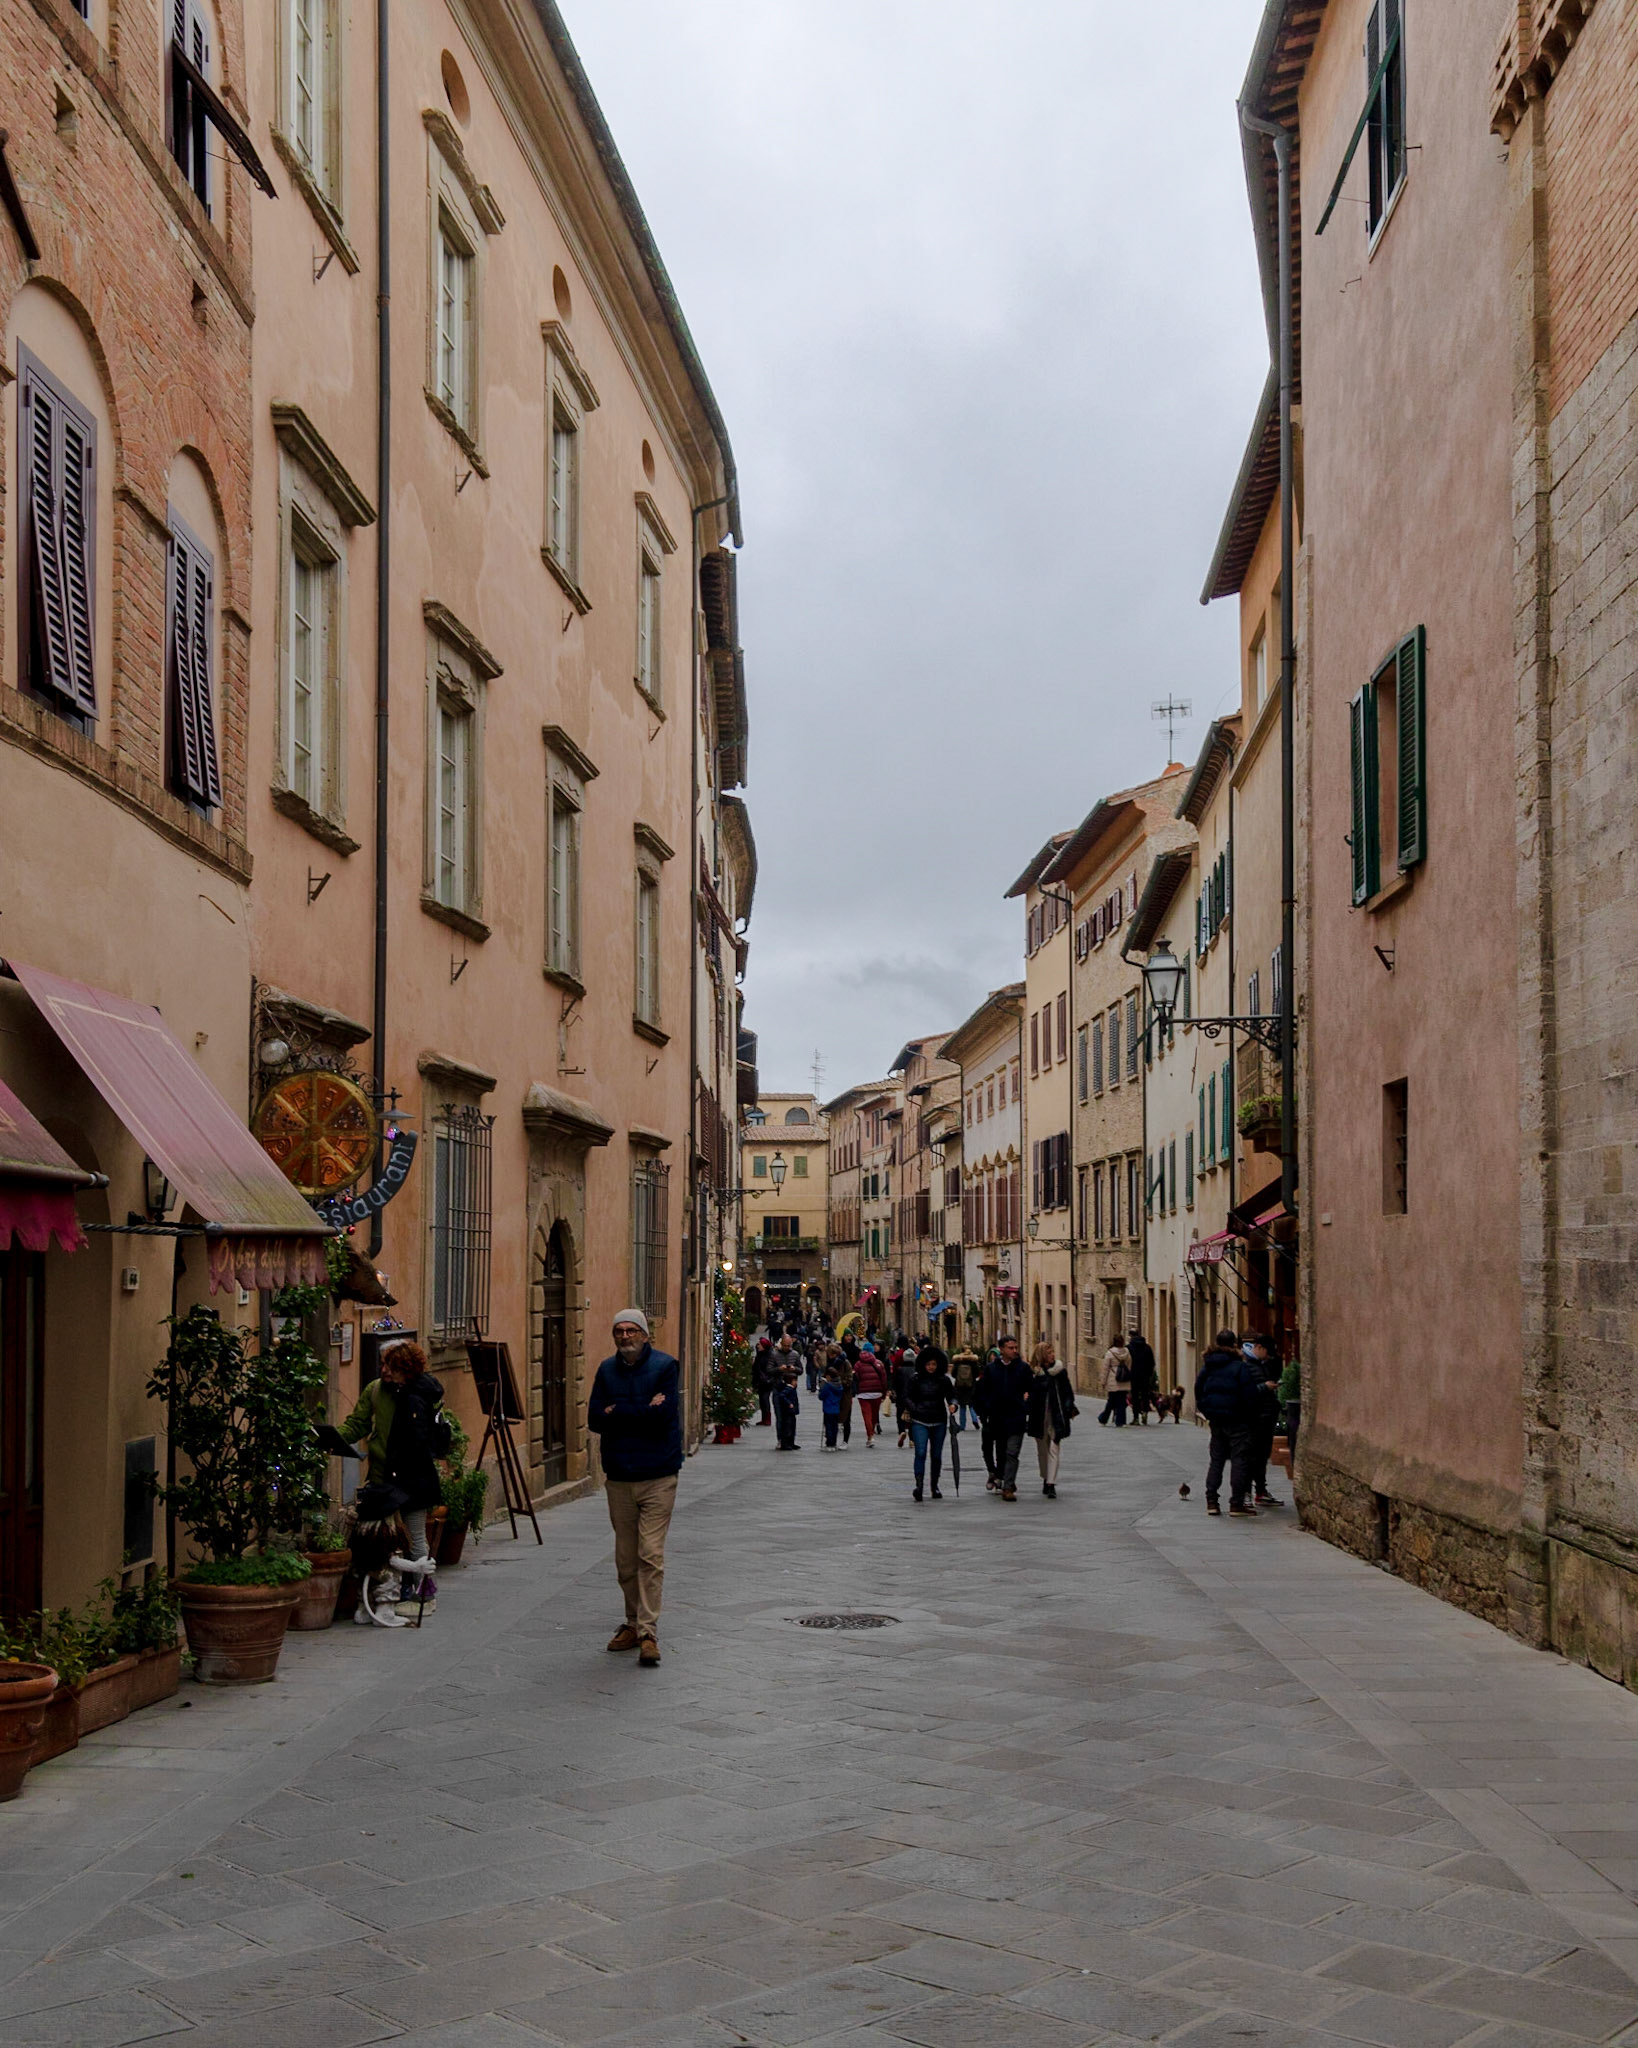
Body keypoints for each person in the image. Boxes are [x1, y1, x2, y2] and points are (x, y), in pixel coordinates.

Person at [587, 1309, 682, 1666]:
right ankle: (630, 1622)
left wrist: (619, 1412)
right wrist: (641, 1408)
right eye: (618, 1331)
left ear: (644, 1334)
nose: (624, 1337)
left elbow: (663, 1417)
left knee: (650, 1555)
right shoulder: (605, 1370)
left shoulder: (665, 1367)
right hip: (620, 1477)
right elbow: (595, 1418)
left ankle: (647, 1632)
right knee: (626, 1560)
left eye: (631, 1331)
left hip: (658, 1476)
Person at [339, 1339, 445, 1617]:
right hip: (382, 1477)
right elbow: (357, 1424)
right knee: (380, 1539)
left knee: (416, 1535)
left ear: (405, 1368)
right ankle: (380, 1596)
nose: (383, 1369)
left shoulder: (417, 1395)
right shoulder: (375, 1390)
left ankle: (424, 1596)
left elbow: (423, 1441)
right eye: (382, 1363)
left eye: (390, 1364)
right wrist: (333, 1439)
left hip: (412, 1479)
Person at [1194, 1327, 1266, 1518]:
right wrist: (1249, 1416)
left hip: (1217, 1420)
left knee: (1216, 1460)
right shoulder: (1240, 1367)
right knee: (1239, 1460)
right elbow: (1250, 1395)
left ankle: (1212, 1501)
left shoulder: (1208, 1366)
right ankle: (1236, 1503)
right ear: (1235, 1345)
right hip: (1238, 1420)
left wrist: (1208, 1411)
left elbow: (1198, 1390)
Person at [981, 1333, 1032, 1500]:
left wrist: (1026, 1405)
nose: (1014, 1351)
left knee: (1012, 1452)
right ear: (1001, 1349)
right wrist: (986, 1411)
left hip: (1016, 1417)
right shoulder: (991, 1369)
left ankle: (1008, 1487)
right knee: (1002, 1453)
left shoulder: (1023, 1368)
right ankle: (1004, 1478)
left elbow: (1031, 1389)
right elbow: (984, 1392)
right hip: (998, 1418)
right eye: (1011, 1348)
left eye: (1015, 1348)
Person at [902, 1346, 957, 1501]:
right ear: (923, 1365)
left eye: (933, 1364)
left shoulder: (944, 1380)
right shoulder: (915, 1379)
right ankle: (919, 1485)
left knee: (936, 1455)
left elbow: (952, 1396)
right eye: (928, 1364)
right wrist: (915, 1409)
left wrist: (953, 1404)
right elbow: (906, 1396)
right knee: (920, 1452)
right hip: (920, 1420)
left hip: (939, 1420)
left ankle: (934, 1485)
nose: (931, 1367)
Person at [1026, 1340, 1076, 1499]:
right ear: (1041, 1355)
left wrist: (1068, 1407)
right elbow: (1029, 1394)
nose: (1052, 1355)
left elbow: (1068, 1392)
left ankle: (1051, 1483)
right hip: (1039, 1417)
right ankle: (1045, 1477)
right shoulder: (1033, 1374)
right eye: (1049, 1353)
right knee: (1042, 1451)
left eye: (1052, 1352)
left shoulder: (1059, 1371)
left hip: (1056, 1415)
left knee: (1054, 1448)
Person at [1243, 1335, 1283, 1506]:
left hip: (1265, 1417)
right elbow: (1246, 1392)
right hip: (1255, 1418)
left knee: (1261, 1456)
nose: (1268, 1356)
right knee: (1252, 1457)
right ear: (1258, 1347)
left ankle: (1260, 1491)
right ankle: (1246, 1492)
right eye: (1267, 1352)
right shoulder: (1247, 1365)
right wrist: (1264, 1387)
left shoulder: (1260, 1364)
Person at [853, 1343, 889, 1444]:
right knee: (874, 1414)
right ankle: (871, 1432)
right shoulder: (879, 1363)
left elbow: (856, 1377)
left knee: (867, 1415)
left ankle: (870, 1435)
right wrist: (884, 1392)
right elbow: (884, 1379)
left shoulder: (858, 1364)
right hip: (877, 1392)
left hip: (863, 1393)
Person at [1127, 1327, 1159, 1425]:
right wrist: (1149, 1374)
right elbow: (1152, 1362)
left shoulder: (1128, 1348)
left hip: (1133, 1376)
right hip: (1145, 1376)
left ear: (1131, 1336)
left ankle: (1136, 1417)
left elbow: (1126, 1362)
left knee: (1135, 1396)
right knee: (1145, 1395)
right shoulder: (1147, 1347)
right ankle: (1145, 1413)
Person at [773, 1343, 802, 1450]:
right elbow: (769, 1370)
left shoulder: (795, 1354)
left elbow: (800, 1370)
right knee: (781, 1419)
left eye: (789, 1345)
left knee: (791, 1423)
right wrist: (779, 1369)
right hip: (778, 1387)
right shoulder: (774, 1355)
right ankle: (782, 1441)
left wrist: (794, 1368)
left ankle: (791, 1441)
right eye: (785, 1345)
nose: (787, 1347)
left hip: (790, 1399)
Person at [1098, 1336, 1133, 1427]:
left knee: (1111, 1401)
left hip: (1113, 1379)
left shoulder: (1110, 1353)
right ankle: (1121, 1421)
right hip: (1124, 1381)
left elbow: (1105, 1368)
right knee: (1122, 1401)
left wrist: (1103, 1382)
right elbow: (1129, 1365)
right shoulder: (1127, 1352)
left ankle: (1103, 1418)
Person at [950, 1348, 981, 1431]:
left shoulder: (958, 1361)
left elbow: (953, 1374)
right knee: (971, 1405)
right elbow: (977, 1373)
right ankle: (975, 1420)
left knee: (962, 1407)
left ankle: (962, 1425)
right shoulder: (973, 1362)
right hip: (971, 1387)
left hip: (960, 1387)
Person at [751, 1337, 775, 1428]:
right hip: (759, 1381)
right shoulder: (759, 1355)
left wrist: (769, 1378)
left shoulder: (770, 1356)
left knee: (765, 1399)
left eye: (760, 1345)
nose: (758, 1346)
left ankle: (767, 1418)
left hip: (767, 1382)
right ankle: (764, 1418)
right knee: (761, 1400)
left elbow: (770, 1368)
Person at [819, 1365, 845, 1449]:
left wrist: (821, 1388)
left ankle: (829, 1442)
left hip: (828, 1408)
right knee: (834, 1426)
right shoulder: (839, 1385)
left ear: (829, 1376)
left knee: (828, 1426)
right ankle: (833, 1442)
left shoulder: (828, 1386)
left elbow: (821, 1396)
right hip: (836, 1408)